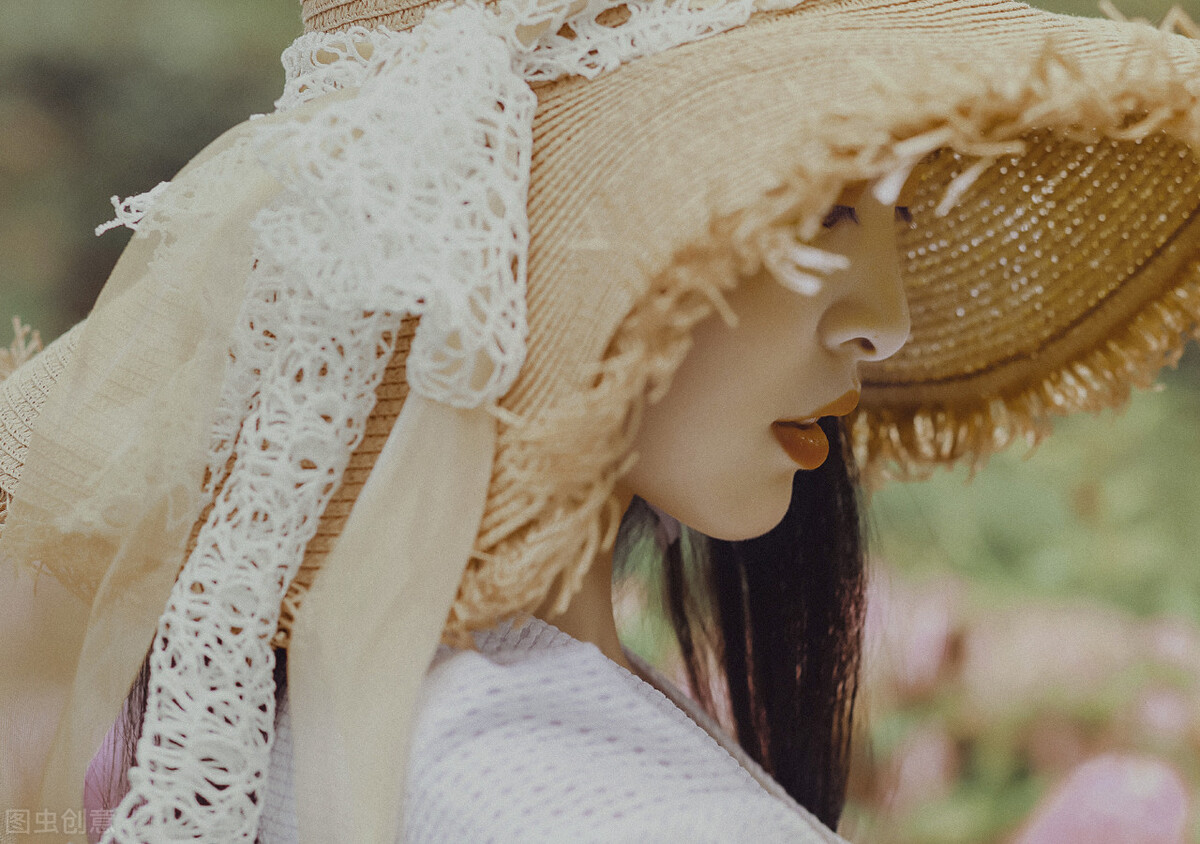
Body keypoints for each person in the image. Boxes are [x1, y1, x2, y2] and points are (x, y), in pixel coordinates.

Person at [3, 0, 1200, 841]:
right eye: (826, 212)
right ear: (526, 241)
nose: (884, 325)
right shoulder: (558, 792)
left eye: (903, 219)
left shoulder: (357, 717)